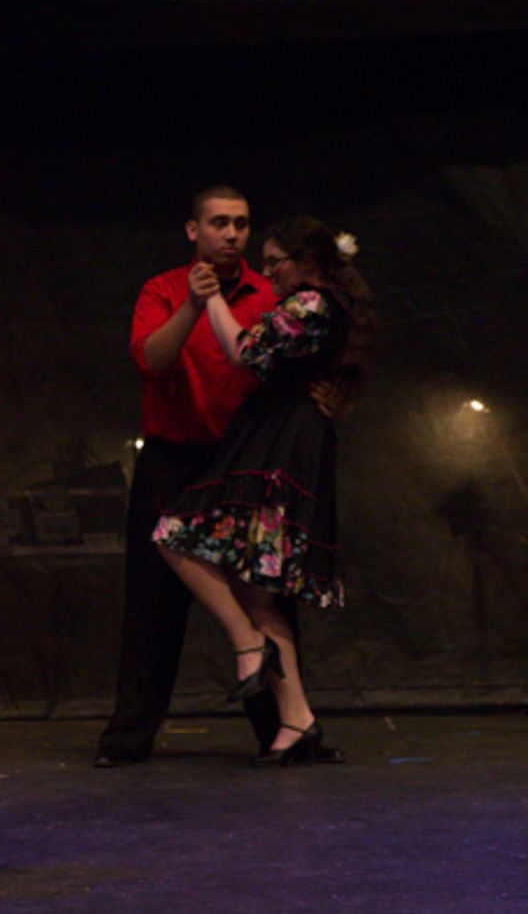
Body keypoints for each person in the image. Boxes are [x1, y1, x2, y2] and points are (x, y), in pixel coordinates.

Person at [95, 187, 346, 768]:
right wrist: (191, 303)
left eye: (241, 224)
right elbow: (152, 361)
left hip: (245, 460)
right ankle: (129, 738)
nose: (232, 234)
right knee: (154, 606)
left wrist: (333, 392)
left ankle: (285, 728)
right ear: (193, 230)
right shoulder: (161, 289)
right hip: (172, 456)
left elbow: (301, 354)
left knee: (264, 590)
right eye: (219, 223)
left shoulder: (273, 292)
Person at [153, 215, 374, 764]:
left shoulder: (314, 304)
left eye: (277, 261)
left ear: (308, 263)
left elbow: (247, 352)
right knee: (256, 582)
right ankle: (297, 719)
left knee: (174, 535)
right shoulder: (320, 306)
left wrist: (212, 302)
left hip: (280, 445)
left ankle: (248, 645)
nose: (268, 270)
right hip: (273, 436)